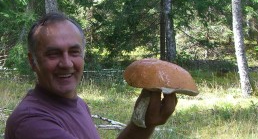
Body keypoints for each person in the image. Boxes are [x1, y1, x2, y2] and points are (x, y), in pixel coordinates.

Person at [5, 12, 177, 139]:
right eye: (53, 54)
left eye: (74, 52)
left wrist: (144, 122)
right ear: (33, 61)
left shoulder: (78, 104)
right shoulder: (30, 122)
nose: (66, 63)